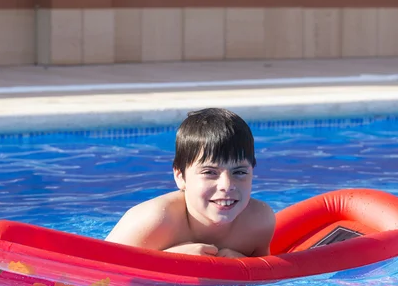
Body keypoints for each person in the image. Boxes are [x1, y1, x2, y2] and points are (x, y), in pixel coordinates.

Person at [106, 108, 275, 258]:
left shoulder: (258, 221)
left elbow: (269, 281)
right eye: (209, 172)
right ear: (180, 176)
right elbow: (97, 273)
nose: (227, 185)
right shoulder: (154, 220)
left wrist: (242, 264)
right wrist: (168, 259)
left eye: (239, 172)